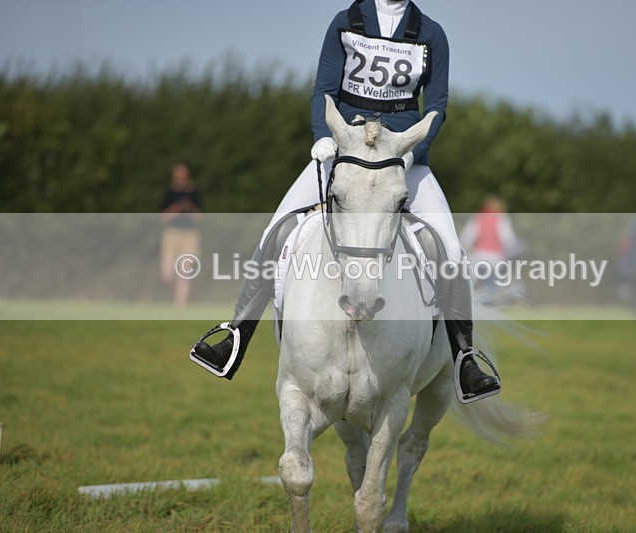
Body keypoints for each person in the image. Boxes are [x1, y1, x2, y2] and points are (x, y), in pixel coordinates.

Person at [191, 0, 501, 401]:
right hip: (343, 154)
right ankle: (235, 335)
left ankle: (465, 359)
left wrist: (408, 155)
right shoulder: (345, 22)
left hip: (404, 159)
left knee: (452, 250)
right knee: (276, 230)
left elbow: (436, 107)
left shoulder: (431, 34)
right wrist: (323, 135)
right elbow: (324, 90)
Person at [160, 162, 203, 307]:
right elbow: (164, 217)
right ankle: (173, 298)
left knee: (185, 272)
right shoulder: (170, 192)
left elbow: (200, 217)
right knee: (168, 274)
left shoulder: (193, 192)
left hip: (190, 235)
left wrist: (189, 208)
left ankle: (180, 306)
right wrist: (177, 209)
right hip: (172, 234)